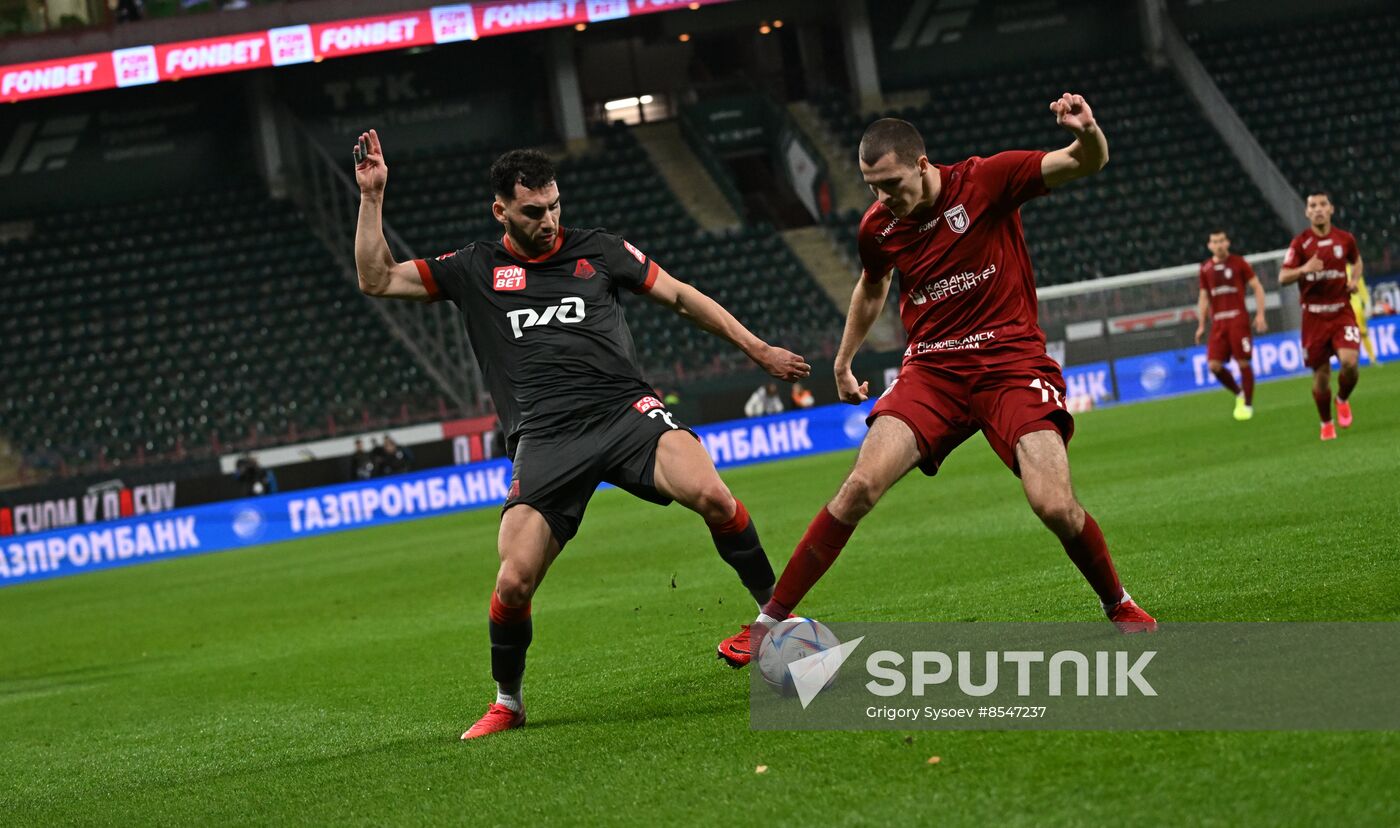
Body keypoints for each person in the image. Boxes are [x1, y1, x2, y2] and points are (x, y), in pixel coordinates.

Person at [351, 132, 810, 738]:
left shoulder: (601, 251)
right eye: (533, 211)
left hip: (624, 412)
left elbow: (680, 295)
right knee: (513, 581)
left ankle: (777, 625)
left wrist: (757, 349)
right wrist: (373, 197)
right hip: (545, 437)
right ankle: (508, 703)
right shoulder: (473, 268)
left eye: (555, 206)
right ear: (502, 211)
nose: (549, 220)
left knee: (713, 493)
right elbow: (377, 279)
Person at [718, 95, 1156, 668]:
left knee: (1053, 505)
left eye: (892, 183)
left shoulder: (988, 180)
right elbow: (873, 286)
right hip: (933, 370)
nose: (882, 198)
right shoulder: (878, 226)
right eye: (872, 185)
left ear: (923, 164)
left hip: (1011, 363)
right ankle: (768, 622)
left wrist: (1089, 130)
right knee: (858, 488)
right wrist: (844, 361)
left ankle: (1118, 602)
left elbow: (1084, 162)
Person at [1278, 192, 1363, 441]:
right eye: (1312, 206)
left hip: (1341, 312)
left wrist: (1355, 279)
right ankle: (1326, 423)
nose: (1318, 209)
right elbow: (1283, 277)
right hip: (1314, 318)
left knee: (1350, 363)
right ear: (1307, 213)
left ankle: (1342, 399)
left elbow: (1357, 262)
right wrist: (1304, 269)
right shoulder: (1300, 243)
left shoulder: (1345, 239)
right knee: (1322, 376)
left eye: (1322, 205)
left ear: (1331, 209)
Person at [1194, 230, 1268, 420]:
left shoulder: (1239, 263)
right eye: (1214, 242)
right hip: (1218, 322)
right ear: (1209, 246)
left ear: (1227, 243)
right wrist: (1201, 324)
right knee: (1214, 366)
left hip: (1237, 320)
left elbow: (1257, 287)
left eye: (1221, 241)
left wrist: (1260, 314)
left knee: (1243, 361)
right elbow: (1203, 297)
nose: (1218, 245)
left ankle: (1248, 405)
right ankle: (1239, 393)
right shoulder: (1205, 268)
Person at [1350, 272, 1378, 366]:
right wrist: (1367, 304)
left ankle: (1371, 359)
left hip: (1354, 308)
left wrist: (1366, 304)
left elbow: (1362, 289)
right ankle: (1371, 358)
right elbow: (1363, 290)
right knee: (1361, 334)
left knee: (1357, 334)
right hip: (1354, 308)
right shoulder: (1354, 269)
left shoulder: (1348, 269)